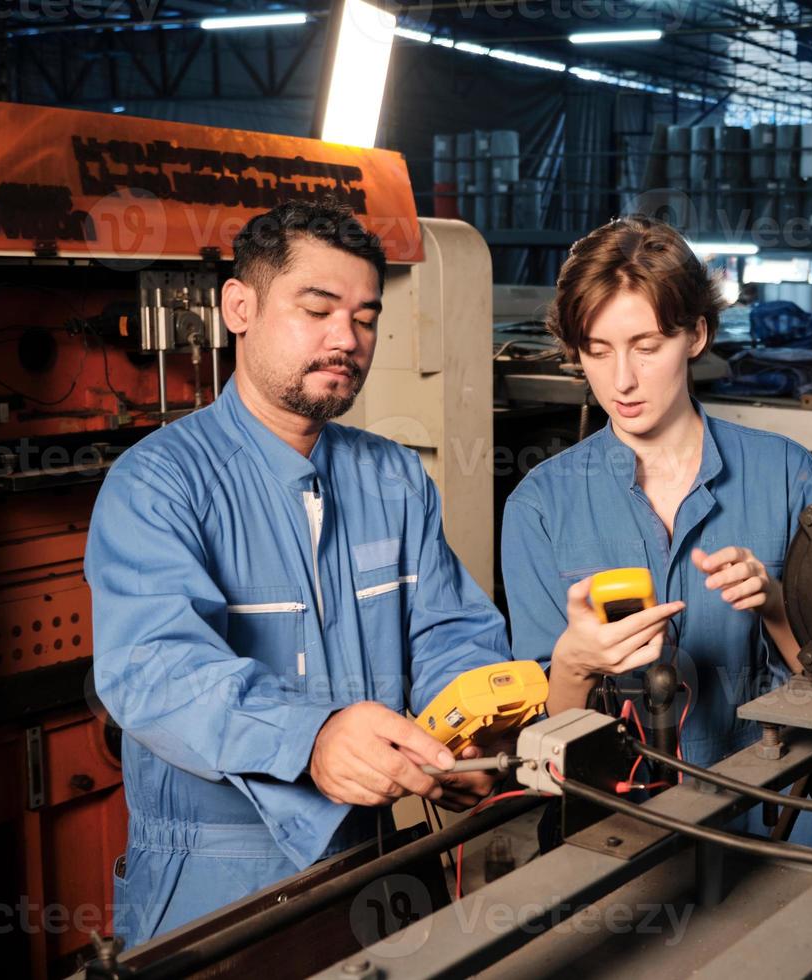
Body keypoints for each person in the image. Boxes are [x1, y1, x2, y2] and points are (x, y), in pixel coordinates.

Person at [87, 200, 509, 946]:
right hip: (218, 880)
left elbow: (450, 629)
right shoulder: (158, 483)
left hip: (378, 854)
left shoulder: (393, 476)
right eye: (317, 309)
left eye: (366, 317)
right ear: (239, 307)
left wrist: (467, 727)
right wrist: (311, 737)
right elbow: (155, 667)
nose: (346, 338)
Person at [500, 216, 812, 838]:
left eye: (647, 347)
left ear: (696, 334)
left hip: (769, 826)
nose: (621, 380)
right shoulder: (539, 507)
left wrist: (777, 605)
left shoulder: (789, 476)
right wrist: (573, 664)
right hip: (613, 831)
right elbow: (539, 747)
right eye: (598, 352)